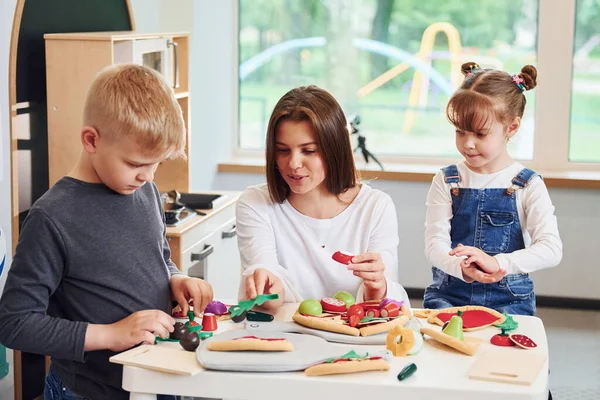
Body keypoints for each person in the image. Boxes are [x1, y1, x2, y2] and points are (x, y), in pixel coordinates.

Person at [0, 64, 213, 400]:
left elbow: (157, 257)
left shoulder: (145, 191)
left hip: (153, 380)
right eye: (135, 163)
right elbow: (15, 323)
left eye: (157, 162)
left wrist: (174, 280)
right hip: (87, 391)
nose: (147, 175)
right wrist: (111, 335)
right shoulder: (51, 217)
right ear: (91, 140)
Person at [236, 85, 410, 311]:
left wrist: (378, 285)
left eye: (308, 151)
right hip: (284, 338)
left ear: (334, 149)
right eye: (282, 150)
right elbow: (268, 283)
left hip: (354, 339)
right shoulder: (255, 203)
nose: (294, 164)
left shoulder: (375, 207)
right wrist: (266, 287)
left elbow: (382, 302)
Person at [423, 62, 562, 316]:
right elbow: (435, 245)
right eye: (460, 131)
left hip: (510, 301)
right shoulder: (446, 180)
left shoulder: (528, 185)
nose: (468, 143)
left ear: (512, 127)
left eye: (480, 133)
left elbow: (551, 249)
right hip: (449, 297)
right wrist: (461, 267)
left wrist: (497, 262)